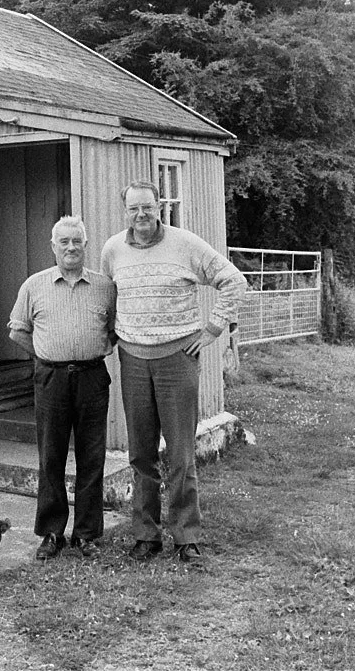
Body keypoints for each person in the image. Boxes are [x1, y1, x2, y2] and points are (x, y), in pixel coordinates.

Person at [99, 179, 247, 564]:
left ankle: (187, 537)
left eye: (147, 207)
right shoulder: (112, 250)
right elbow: (109, 298)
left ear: (160, 206)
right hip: (132, 361)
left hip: (176, 361)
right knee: (140, 454)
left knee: (181, 453)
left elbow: (233, 280)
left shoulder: (186, 244)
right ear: (125, 211)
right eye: (133, 209)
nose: (141, 215)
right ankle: (146, 536)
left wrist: (213, 328)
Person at [8, 215, 118, 561]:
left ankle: (86, 534)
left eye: (77, 242)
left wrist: (92, 348)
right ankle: (52, 533)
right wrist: (44, 356)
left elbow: (115, 330)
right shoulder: (34, 285)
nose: (71, 248)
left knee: (92, 455)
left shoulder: (104, 287)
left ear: (86, 246)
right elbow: (17, 331)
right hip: (51, 379)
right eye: (64, 242)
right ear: (53, 247)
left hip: (92, 377)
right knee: (51, 456)